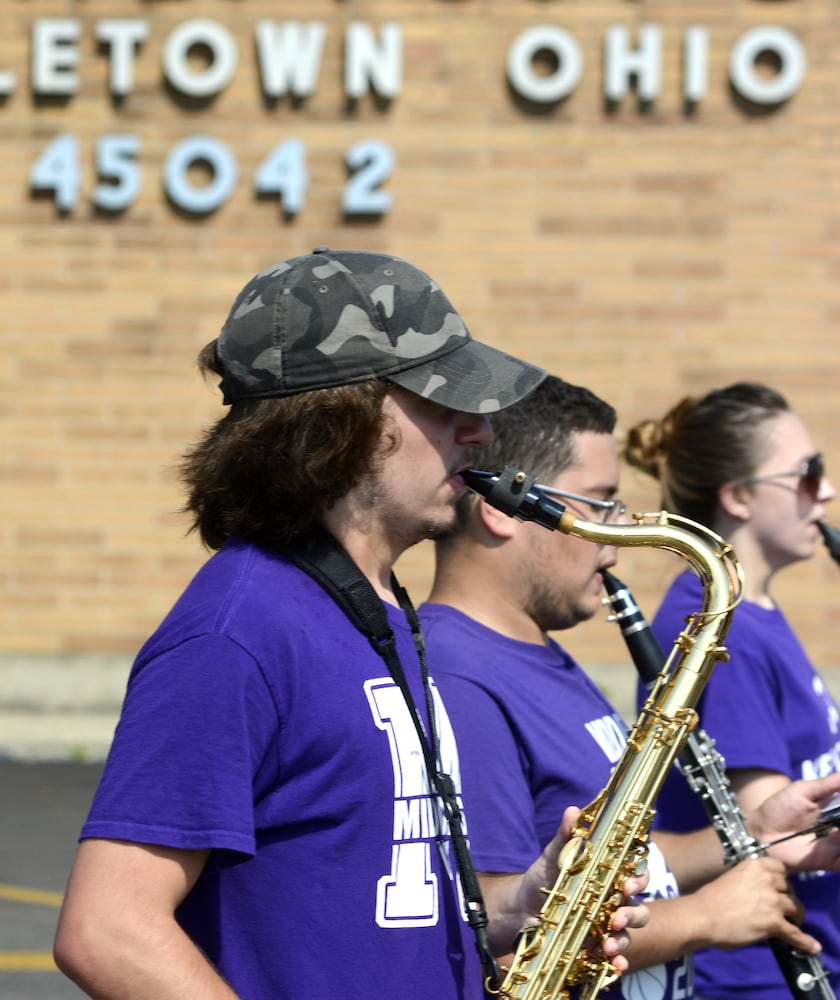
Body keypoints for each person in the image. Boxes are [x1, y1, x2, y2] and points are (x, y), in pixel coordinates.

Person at [52, 249, 646, 999]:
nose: (478, 432)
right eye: (442, 401)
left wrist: (522, 905)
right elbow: (107, 929)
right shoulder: (237, 633)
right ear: (344, 423)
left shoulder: (378, 610)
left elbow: (372, 916)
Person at [420, 375, 840, 1000]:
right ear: (503, 508)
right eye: (600, 503)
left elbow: (615, 864)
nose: (619, 537)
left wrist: (754, 830)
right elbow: (492, 933)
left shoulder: (545, 657)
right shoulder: (458, 677)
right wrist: (705, 918)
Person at [624, 382, 840, 999]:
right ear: (739, 496)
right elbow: (776, 821)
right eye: (806, 474)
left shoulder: (757, 614)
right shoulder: (725, 631)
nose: (824, 492)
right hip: (757, 977)